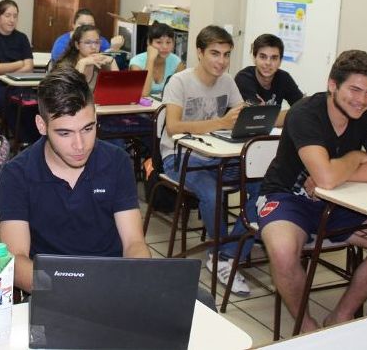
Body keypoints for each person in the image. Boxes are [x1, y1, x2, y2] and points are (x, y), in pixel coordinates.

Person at [257, 50, 367, 332]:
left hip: (339, 199)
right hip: (286, 196)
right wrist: (357, 157)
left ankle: (340, 315)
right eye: (355, 89)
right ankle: (305, 324)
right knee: (283, 251)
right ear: (333, 84)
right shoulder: (304, 113)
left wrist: (338, 170)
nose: (362, 100)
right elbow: (325, 177)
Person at [0, 66, 150, 292]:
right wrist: (70, 291)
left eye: (88, 129)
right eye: (65, 133)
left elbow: (134, 242)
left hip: (112, 284)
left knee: (199, 300)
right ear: (42, 126)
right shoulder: (16, 175)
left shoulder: (117, 161)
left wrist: (138, 278)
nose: (80, 145)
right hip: (52, 290)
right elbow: (17, 262)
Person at [159, 25, 252, 294]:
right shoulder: (180, 82)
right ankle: (224, 254)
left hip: (218, 156)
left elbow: (238, 112)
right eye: (214, 53)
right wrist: (221, 122)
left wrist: (245, 118)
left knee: (263, 185)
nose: (221, 61)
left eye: (226, 54)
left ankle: (226, 253)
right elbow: (174, 127)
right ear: (199, 53)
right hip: (180, 158)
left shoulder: (228, 81)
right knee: (212, 193)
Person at [0, 0, 37, 142]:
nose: (12, 20)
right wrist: (19, 63)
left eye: (15, 16)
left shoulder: (22, 38)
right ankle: (25, 143)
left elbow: (29, 67)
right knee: (13, 104)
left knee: (36, 103)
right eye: (7, 15)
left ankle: (37, 142)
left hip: (19, 86)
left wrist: (4, 69)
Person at [235, 33, 303, 126]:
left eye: (274, 58)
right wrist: (290, 114)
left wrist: (267, 116)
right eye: (263, 57)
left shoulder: (284, 77)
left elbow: (303, 110)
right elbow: (257, 118)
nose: (268, 63)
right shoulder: (244, 78)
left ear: (280, 61)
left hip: (270, 134)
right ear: (254, 58)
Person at [128, 21, 185, 97]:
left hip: (165, 106)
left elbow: (181, 92)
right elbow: (144, 93)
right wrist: (150, 60)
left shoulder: (177, 62)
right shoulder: (136, 63)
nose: (165, 47)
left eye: (168, 42)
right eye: (159, 42)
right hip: (142, 108)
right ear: (149, 42)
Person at [55, 24, 119, 89]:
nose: (94, 47)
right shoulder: (64, 66)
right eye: (88, 42)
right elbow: (70, 94)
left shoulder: (102, 63)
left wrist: (112, 61)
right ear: (77, 45)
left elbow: (118, 89)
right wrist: (82, 64)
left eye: (97, 42)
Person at [50, 8, 124, 61]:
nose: (86, 28)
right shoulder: (61, 44)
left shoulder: (102, 41)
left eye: (90, 25)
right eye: (82, 25)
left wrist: (114, 50)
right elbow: (62, 68)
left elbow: (109, 66)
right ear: (73, 25)